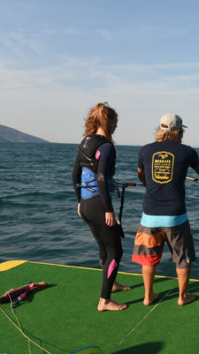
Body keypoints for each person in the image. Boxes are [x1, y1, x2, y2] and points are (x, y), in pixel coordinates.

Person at [132, 113, 199, 306]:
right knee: (182, 258)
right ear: (179, 131)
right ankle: (183, 297)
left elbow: (141, 174)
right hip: (175, 217)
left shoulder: (145, 150)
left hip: (149, 216)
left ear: (159, 129)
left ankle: (148, 296)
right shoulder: (187, 151)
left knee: (148, 259)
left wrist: (148, 185)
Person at [72, 102, 130, 311]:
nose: (116, 127)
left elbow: (75, 175)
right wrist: (108, 209)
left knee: (104, 247)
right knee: (116, 251)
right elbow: (102, 178)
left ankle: (112, 285)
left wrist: (80, 201)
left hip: (86, 204)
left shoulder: (85, 143)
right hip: (99, 205)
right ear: (109, 121)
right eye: (115, 122)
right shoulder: (106, 146)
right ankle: (104, 300)